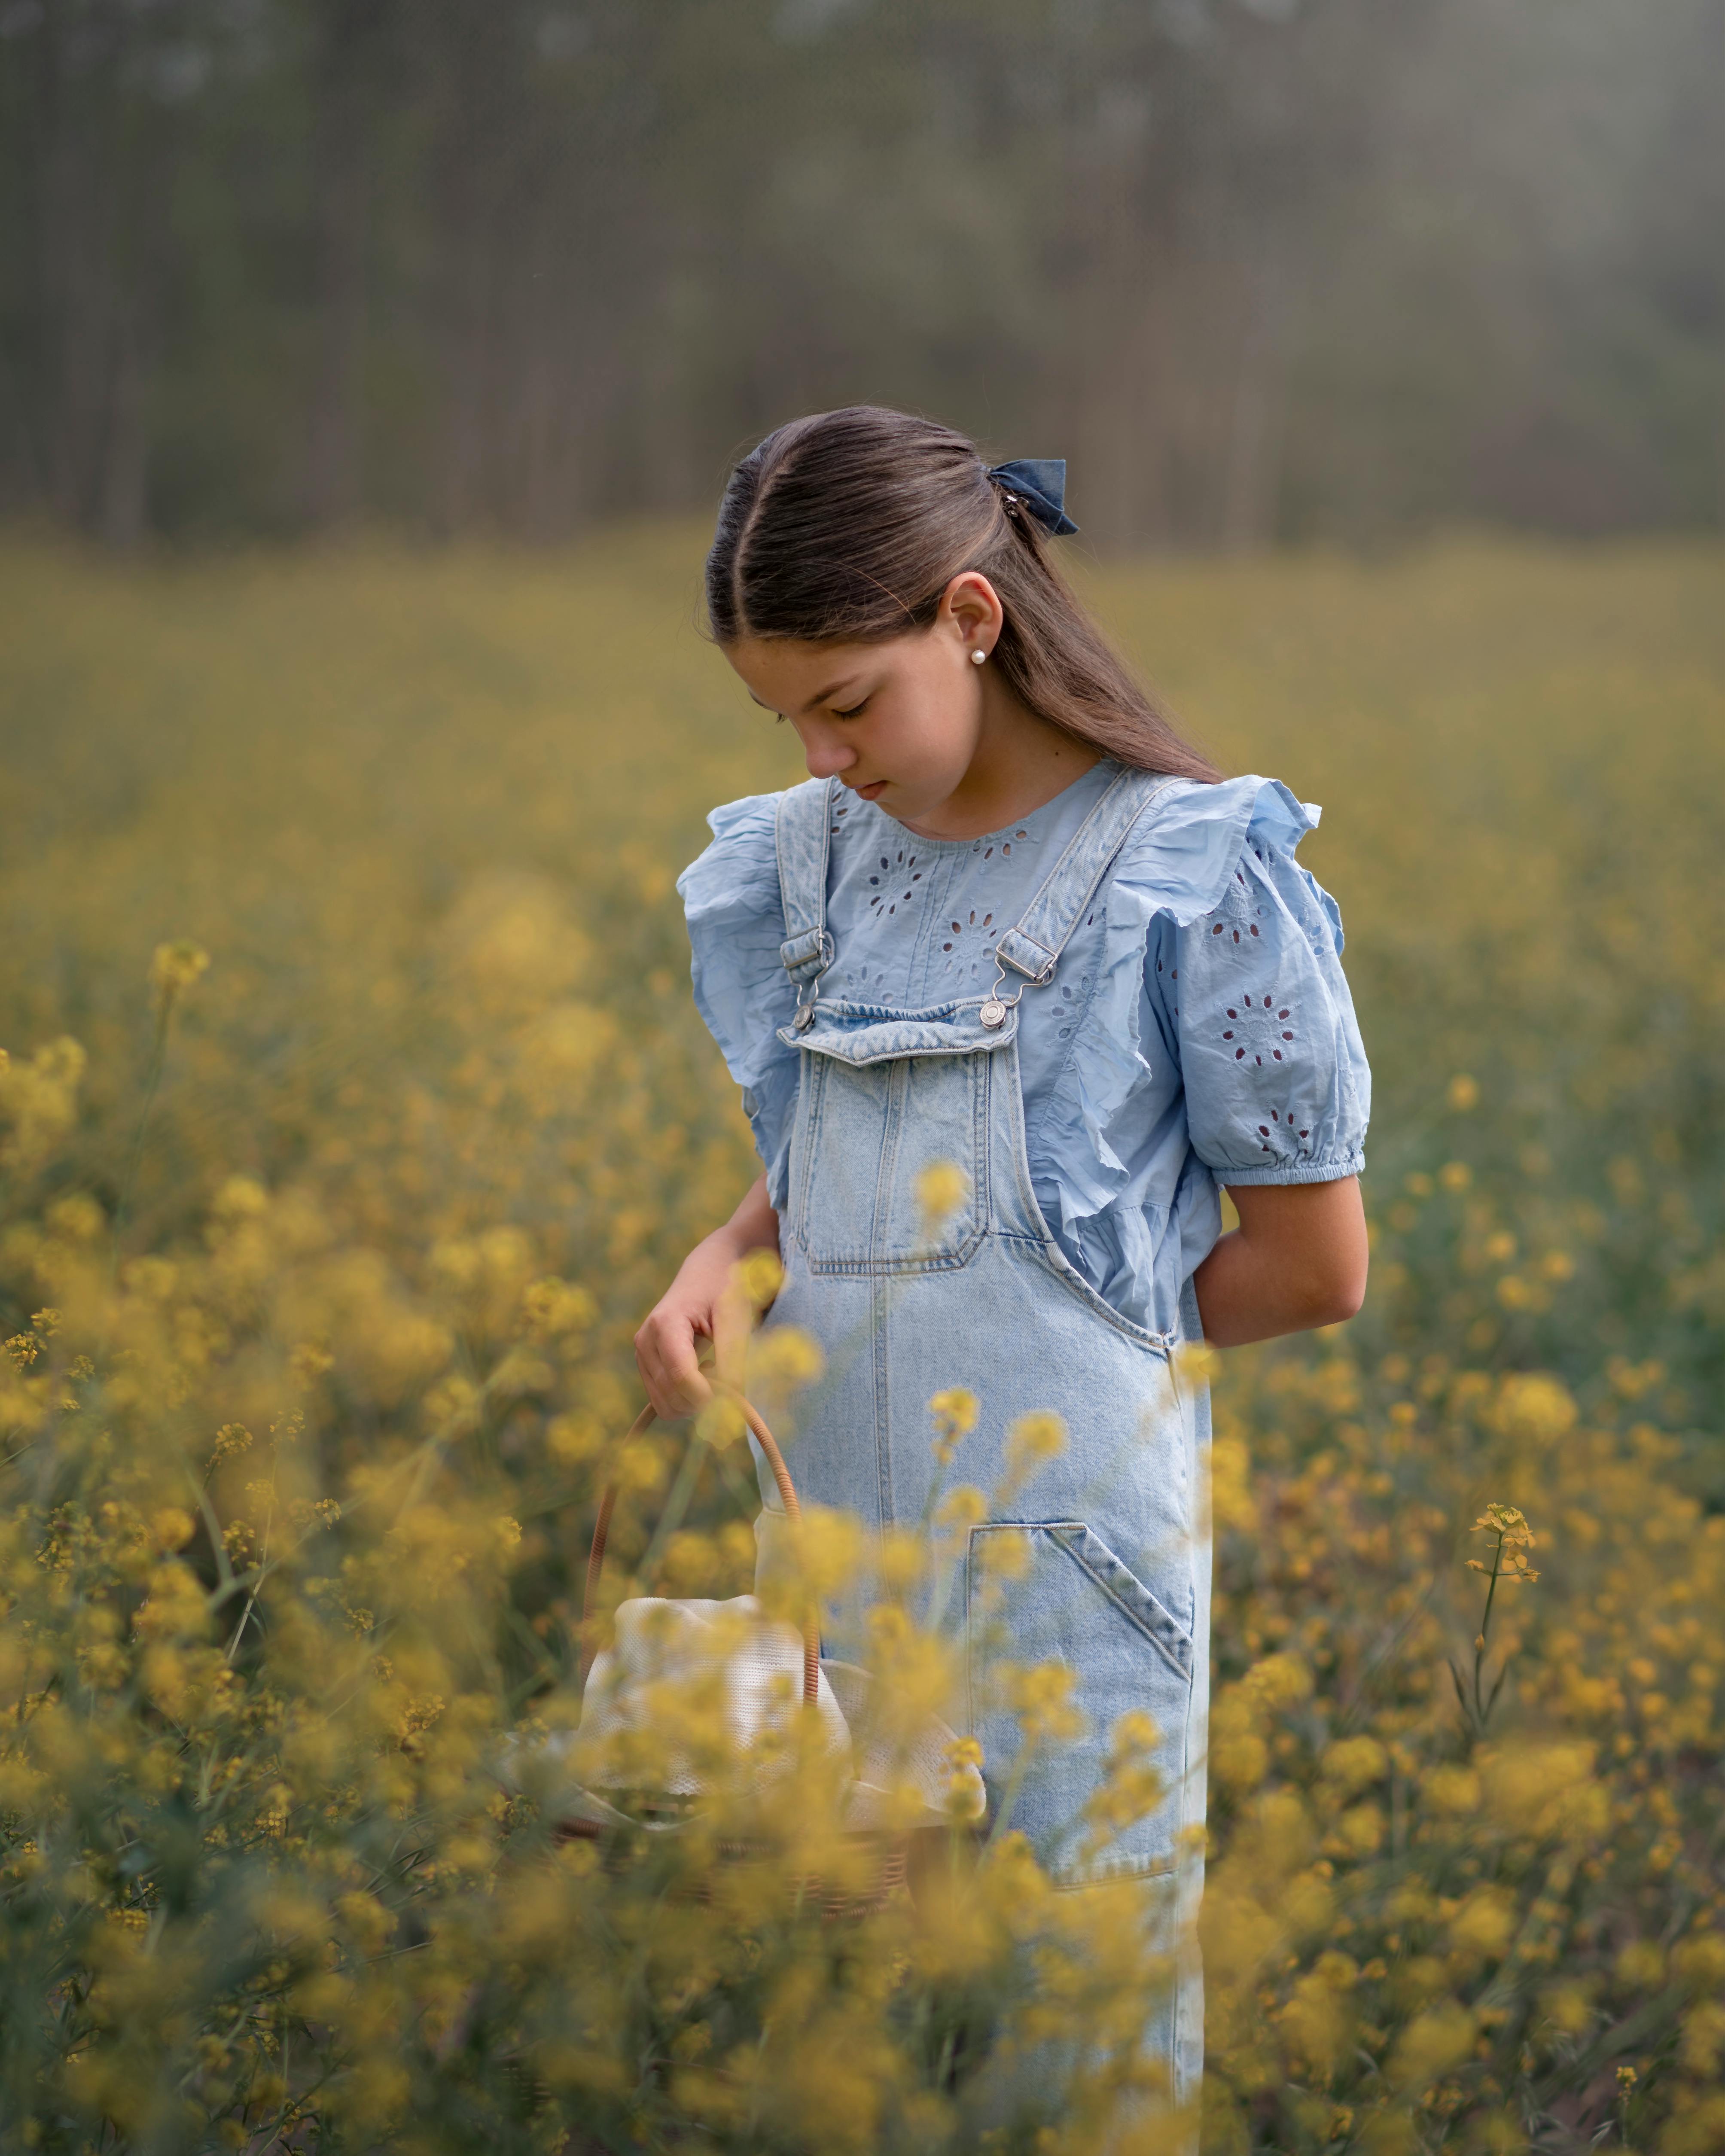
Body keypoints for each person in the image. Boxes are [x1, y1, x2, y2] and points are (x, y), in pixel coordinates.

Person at [635, 405, 1371, 2110]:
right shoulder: (807, 862)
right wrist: (725, 1252)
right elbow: (815, 1161)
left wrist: (1062, 1349)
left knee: (1066, 2050)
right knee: (850, 2046)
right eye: (780, 715)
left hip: (1066, 1582)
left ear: (971, 617)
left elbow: (1311, 1268)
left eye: (845, 701)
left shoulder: (1189, 871)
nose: (821, 758)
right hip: (829, 1563)